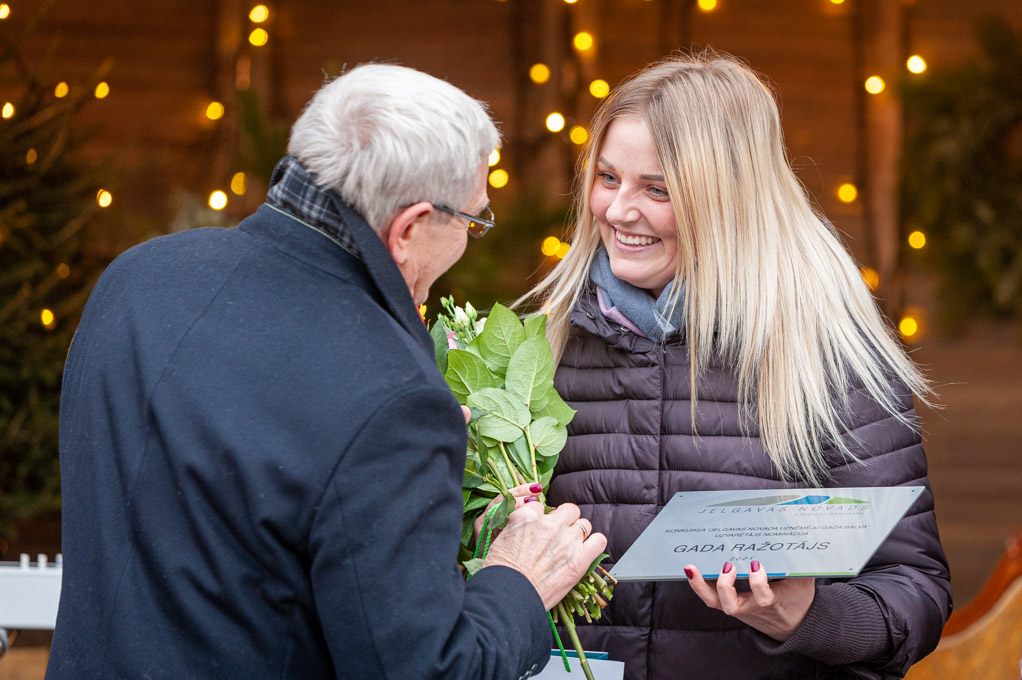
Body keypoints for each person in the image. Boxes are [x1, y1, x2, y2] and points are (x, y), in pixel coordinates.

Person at [48, 63, 606, 680]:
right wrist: (517, 583)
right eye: (473, 220)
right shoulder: (397, 398)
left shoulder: (138, 278)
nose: (470, 239)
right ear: (411, 227)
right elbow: (424, 670)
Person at [521, 53, 952, 680]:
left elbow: (915, 591)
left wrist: (807, 617)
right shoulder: (544, 345)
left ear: (727, 201)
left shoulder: (826, 357)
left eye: (657, 189)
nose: (616, 211)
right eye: (608, 178)